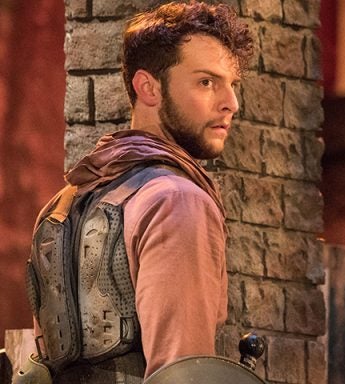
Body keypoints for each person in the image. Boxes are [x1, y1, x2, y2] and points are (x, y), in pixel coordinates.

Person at [17, 2, 254, 383]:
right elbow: (181, 374)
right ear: (148, 87)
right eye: (206, 82)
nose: (231, 103)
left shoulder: (63, 203)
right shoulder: (175, 201)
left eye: (232, 84)